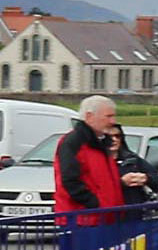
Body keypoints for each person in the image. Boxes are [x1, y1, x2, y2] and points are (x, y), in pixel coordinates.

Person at [50, 96, 152, 228]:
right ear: (89, 116)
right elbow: (69, 181)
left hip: (106, 217)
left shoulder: (101, 142)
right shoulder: (73, 142)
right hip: (84, 220)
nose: (113, 121)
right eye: (108, 116)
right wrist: (96, 204)